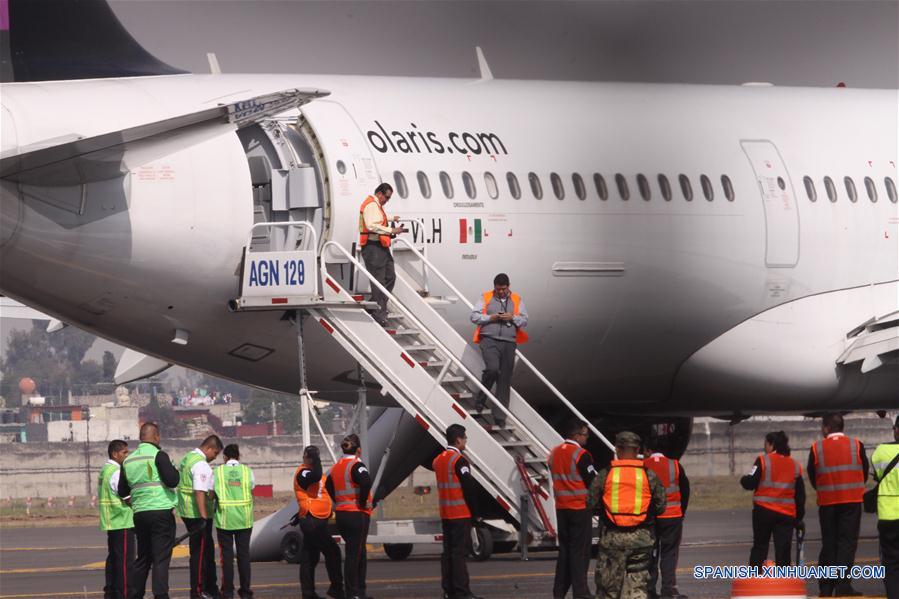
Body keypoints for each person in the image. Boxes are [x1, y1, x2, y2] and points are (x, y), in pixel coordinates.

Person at [588, 431, 666, 599]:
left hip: (612, 539)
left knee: (608, 588)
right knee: (637, 588)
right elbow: (661, 507)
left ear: (617, 449)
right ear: (637, 449)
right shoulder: (649, 475)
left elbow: (591, 504)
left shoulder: (606, 474)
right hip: (642, 539)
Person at [808, 414, 869, 597]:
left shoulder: (816, 447)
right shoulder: (856, 445)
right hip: (851, 501)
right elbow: (864, 472)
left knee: (829, 544)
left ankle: (826, 587)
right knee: (847, 544)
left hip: (827, 502)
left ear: (826, 428)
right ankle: (843, 585)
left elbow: (813, 475)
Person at [118, 422, 179, 599]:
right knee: (160, 558)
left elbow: (122, 491)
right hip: (160, 512)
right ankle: (160, 595)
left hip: (140, 514)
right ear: (156, 437)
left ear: (140, 438)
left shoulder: (129, 459)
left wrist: (136, 503)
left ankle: (135, 595)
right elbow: (172, 480)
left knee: (143, 557)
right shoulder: (158, 455)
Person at [469, 273, 528, 428]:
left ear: (508, 286)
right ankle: (480, 399)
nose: (501, 292)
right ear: (494, 287)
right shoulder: (486, 297)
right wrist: (491, 318)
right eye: (498, 289)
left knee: (505, 379)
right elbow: (474, 316)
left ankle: (500, 416)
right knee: (492, 369)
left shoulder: (516, 299)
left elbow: (525, 320)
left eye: (503, 289)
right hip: (489, 340)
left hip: (509, 342)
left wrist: (512, 318)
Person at [740, 431, 805, 568]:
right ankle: (784, 584)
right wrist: (798, 518)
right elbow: (800, 496)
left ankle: (755, 580)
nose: (764, 448)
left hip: (763, 511)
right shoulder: (795, 465)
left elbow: (750, 482)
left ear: (771, 445)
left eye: (766, 444)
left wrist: (743, 479)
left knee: (760, 547)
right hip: (786, 514)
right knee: (783, 551)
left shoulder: (763, 460)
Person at [433, 424, 483, 599]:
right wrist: (476, 512)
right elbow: (468, 488)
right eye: (465, 438)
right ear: (458, 439)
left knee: (448, 553)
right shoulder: (459, 460)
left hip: (445, 513)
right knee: (459, 554)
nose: (466, 440)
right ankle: (462, 591)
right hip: (460, 513)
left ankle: (449, 590)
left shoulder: (438, 460)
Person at [549, 419, 597, 599]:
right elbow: (592, 481)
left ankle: (559, 591)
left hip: (562, 507)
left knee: (565, 552)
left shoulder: (553, 453)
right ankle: (581, 591)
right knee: (580, 552)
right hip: (579, 506)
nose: (586, 438)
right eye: (585, 435)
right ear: (576, 435)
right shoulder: (580, 454)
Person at [326, 434, 373, 599]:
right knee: (355, 554)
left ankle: (359, 591)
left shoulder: (337, 466)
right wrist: (361, 502)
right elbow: (366, 482)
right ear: (358, 450)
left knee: (357, 552)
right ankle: (353, 593)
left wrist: (337, 500)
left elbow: (327, 484)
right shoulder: (356, 465)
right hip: (356, 514)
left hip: (342, 513)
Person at [294, 445, 344, 599]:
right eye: (310, 456)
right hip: (312, 521)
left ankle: (308, 594)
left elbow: (319, 491)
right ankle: (336, 589)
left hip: (315, 519)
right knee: (333, 552)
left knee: (310, 557)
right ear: (306, 457)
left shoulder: (316, 474)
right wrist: (316, 459)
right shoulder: (303, 472)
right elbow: (314, 477)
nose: (311, 459)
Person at [177, 435, 223, 599]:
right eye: (215, 453)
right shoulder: (201, 464)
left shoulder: (188, 457)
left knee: (206, 551)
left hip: (186, 511)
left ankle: (210, 587)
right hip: (197, 515)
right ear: (209, 448)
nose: (214, 457)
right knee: (200, 554)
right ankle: (197, 591)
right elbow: (199, 491)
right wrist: (204, 517)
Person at [643, 438, 690, 599]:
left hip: (650, 518)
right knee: (669, 553)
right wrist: (681, 511)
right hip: (672, 516)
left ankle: (649, 590)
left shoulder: (643, 466)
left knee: (650, 553)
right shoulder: (675, 465)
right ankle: (667, 590)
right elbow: (685, 490)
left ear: (648, 450)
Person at [358, 182, 406, 326]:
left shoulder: (376, 205)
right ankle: (379, 313)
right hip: (373, 248)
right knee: (379, 281)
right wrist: (392, 231)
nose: (387, 200)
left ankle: (375, 305)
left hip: (380, 247)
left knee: (390, 277)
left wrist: (391, 219)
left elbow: (377, 218)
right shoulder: (372, 204)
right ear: (379, 193)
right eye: (387, 197)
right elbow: (371, 224)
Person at [213, 444, 254, 599]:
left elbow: (211, 493)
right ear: (239, 456)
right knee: (244, 556)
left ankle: (228, 592)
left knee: (227, 558)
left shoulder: (218, 472)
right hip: (244, 520)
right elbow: (251, 488)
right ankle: (245, 592)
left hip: (225, 520)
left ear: (224, 457)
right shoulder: (247, 471)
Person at [100, 439, 135, 599]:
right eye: (124, 453)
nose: (127, 455)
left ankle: (111, 592)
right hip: (123, 520)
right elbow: (126, 495)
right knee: (125, 563)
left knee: (114, 559)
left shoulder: (105, 470)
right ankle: (125, 593)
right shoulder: (116, 472)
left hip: (112, 521)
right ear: (115, 454)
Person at [871, 415, 899, 598]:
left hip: (888, 516)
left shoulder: (880, 451)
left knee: (891, 564)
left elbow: (876, 475)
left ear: (896, 430)